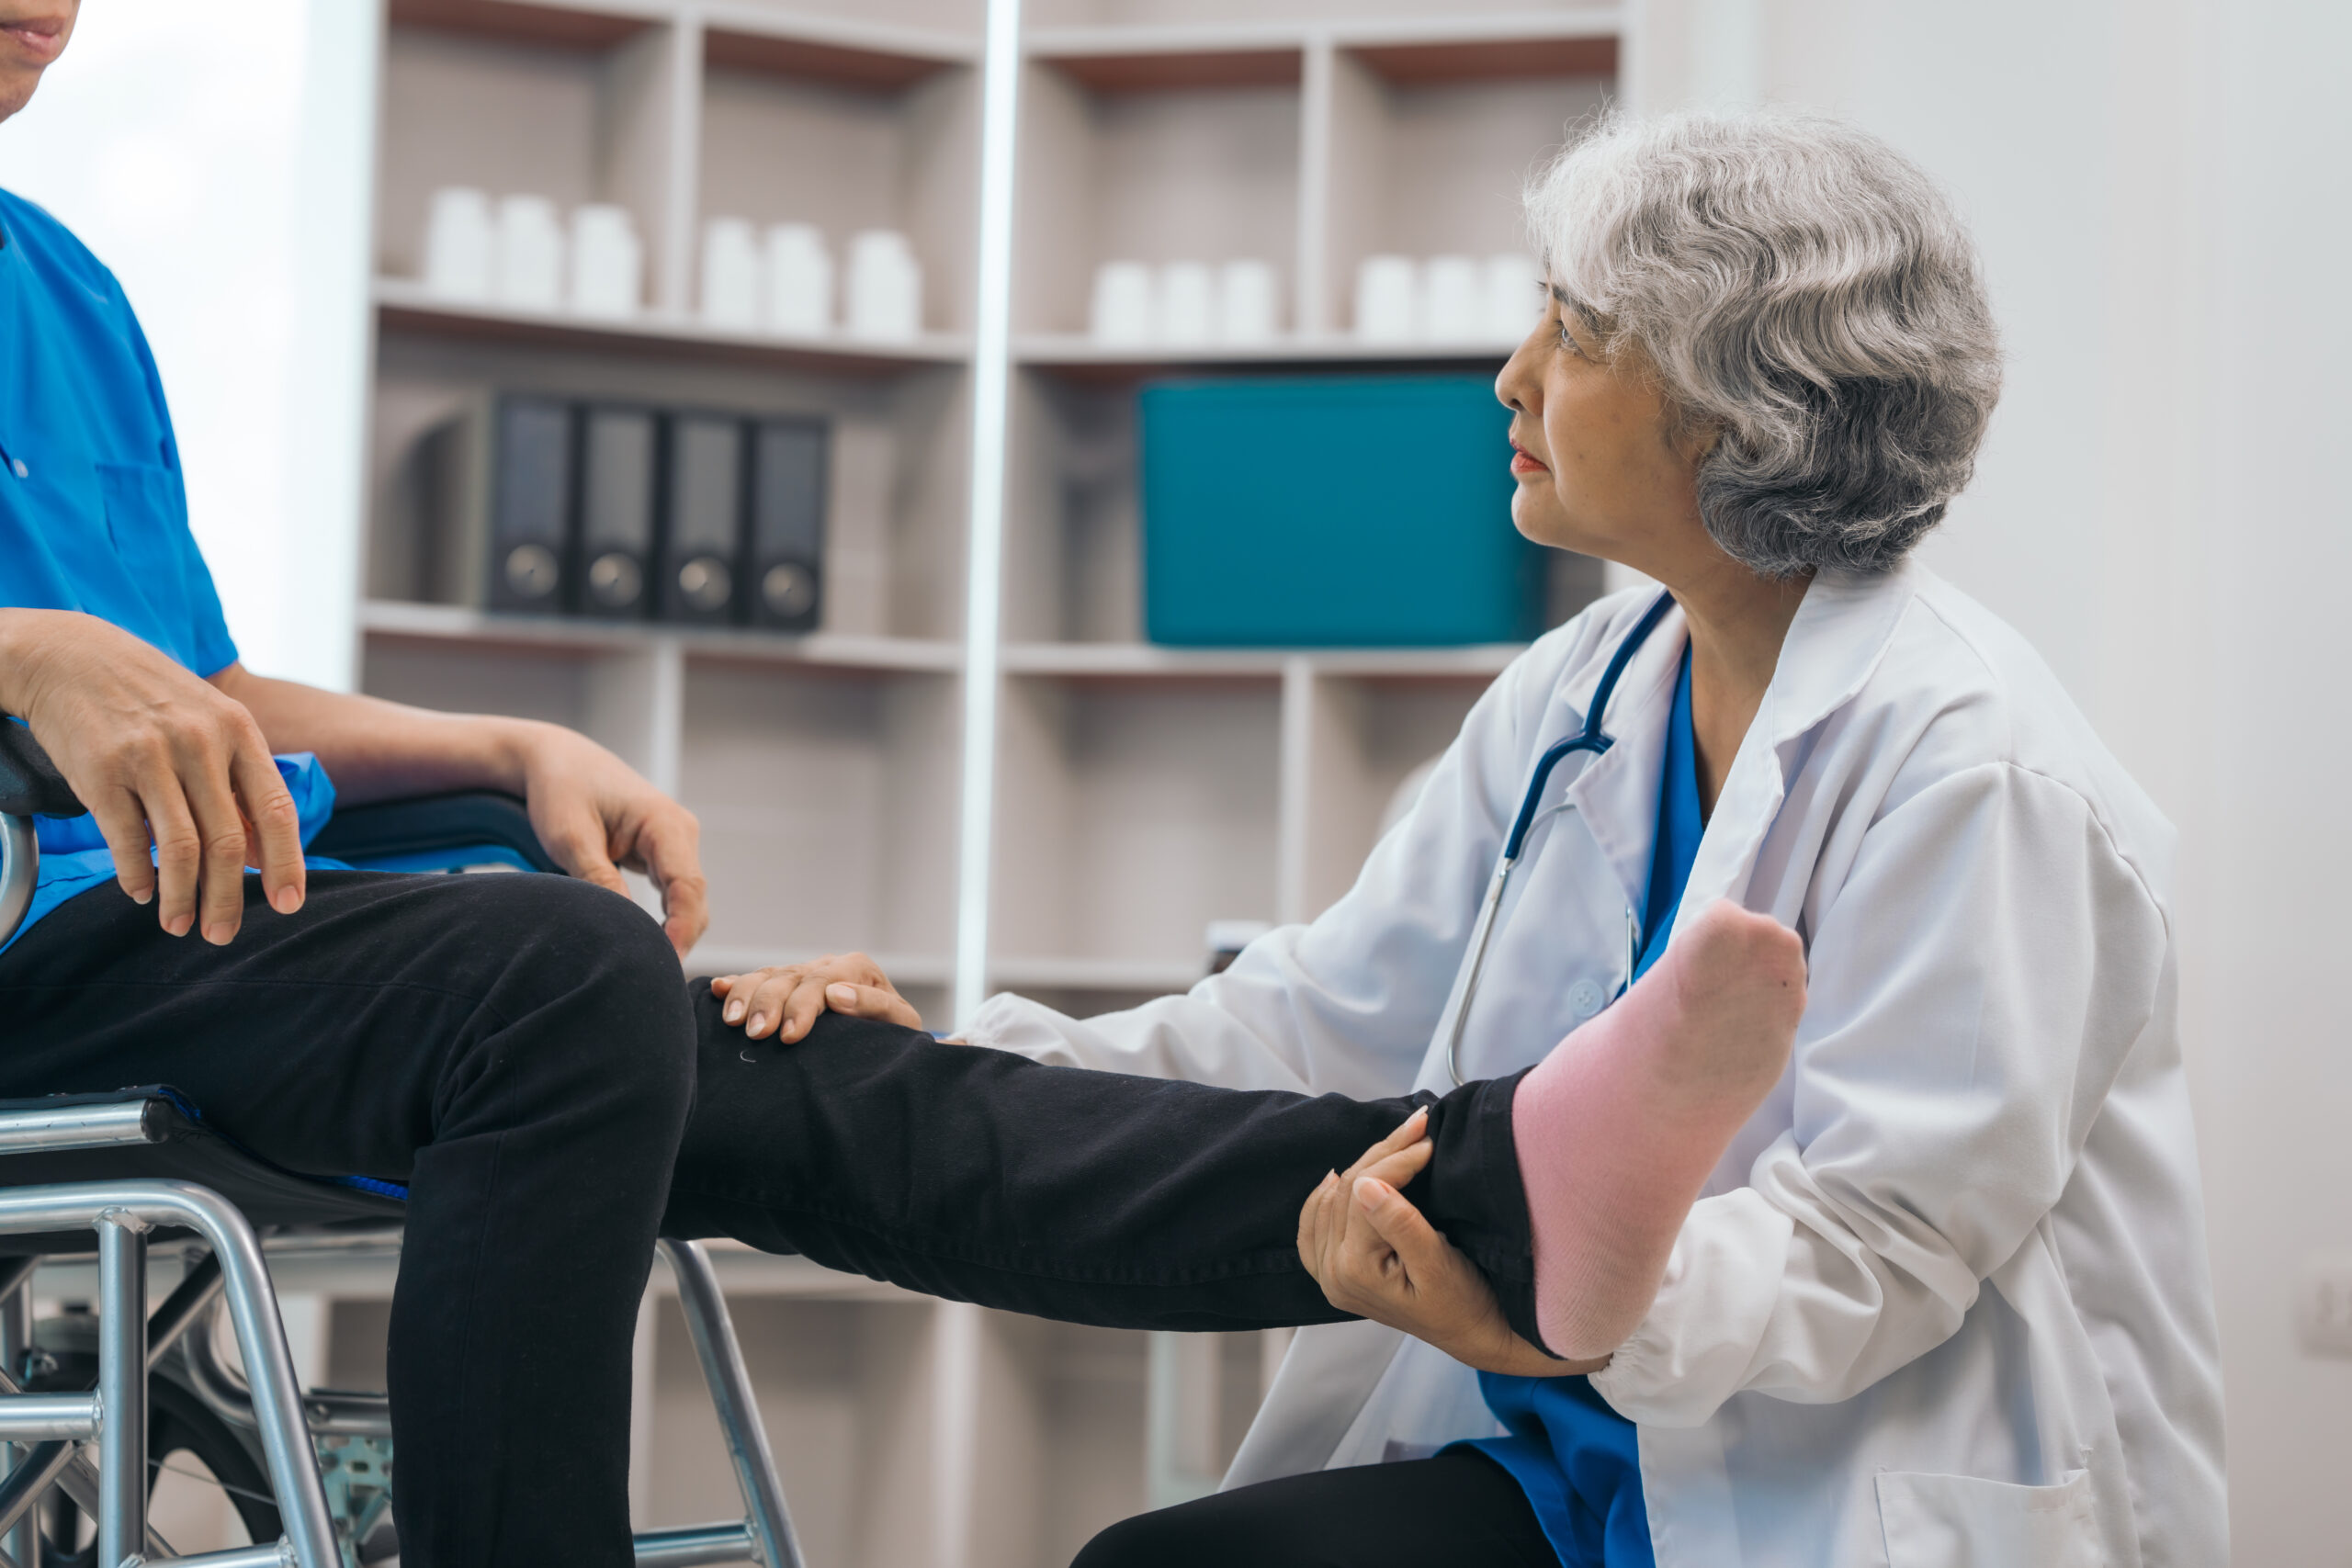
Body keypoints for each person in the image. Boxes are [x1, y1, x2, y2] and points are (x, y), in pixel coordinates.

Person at [676, 111, 2228, 1567]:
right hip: (1567, 1474)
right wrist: (968, 1062)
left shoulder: (1982, 776)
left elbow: (1883, 1243)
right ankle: (1564, 1183)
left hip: (1825, 1481)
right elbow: (1315, 1017)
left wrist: (1581, 1302)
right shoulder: (1588, 686)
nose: (1511, 373)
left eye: (1578, 330)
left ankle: (1575, 1199)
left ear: (1738, 411)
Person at [0, 7, 707, 1563]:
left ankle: (1313, 1199)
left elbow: (209, 691)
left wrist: (506, 749)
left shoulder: (65, 286)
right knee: (566, 985)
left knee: (738, 1042)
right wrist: (19, 655)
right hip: (33, 955)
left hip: (177, 911)